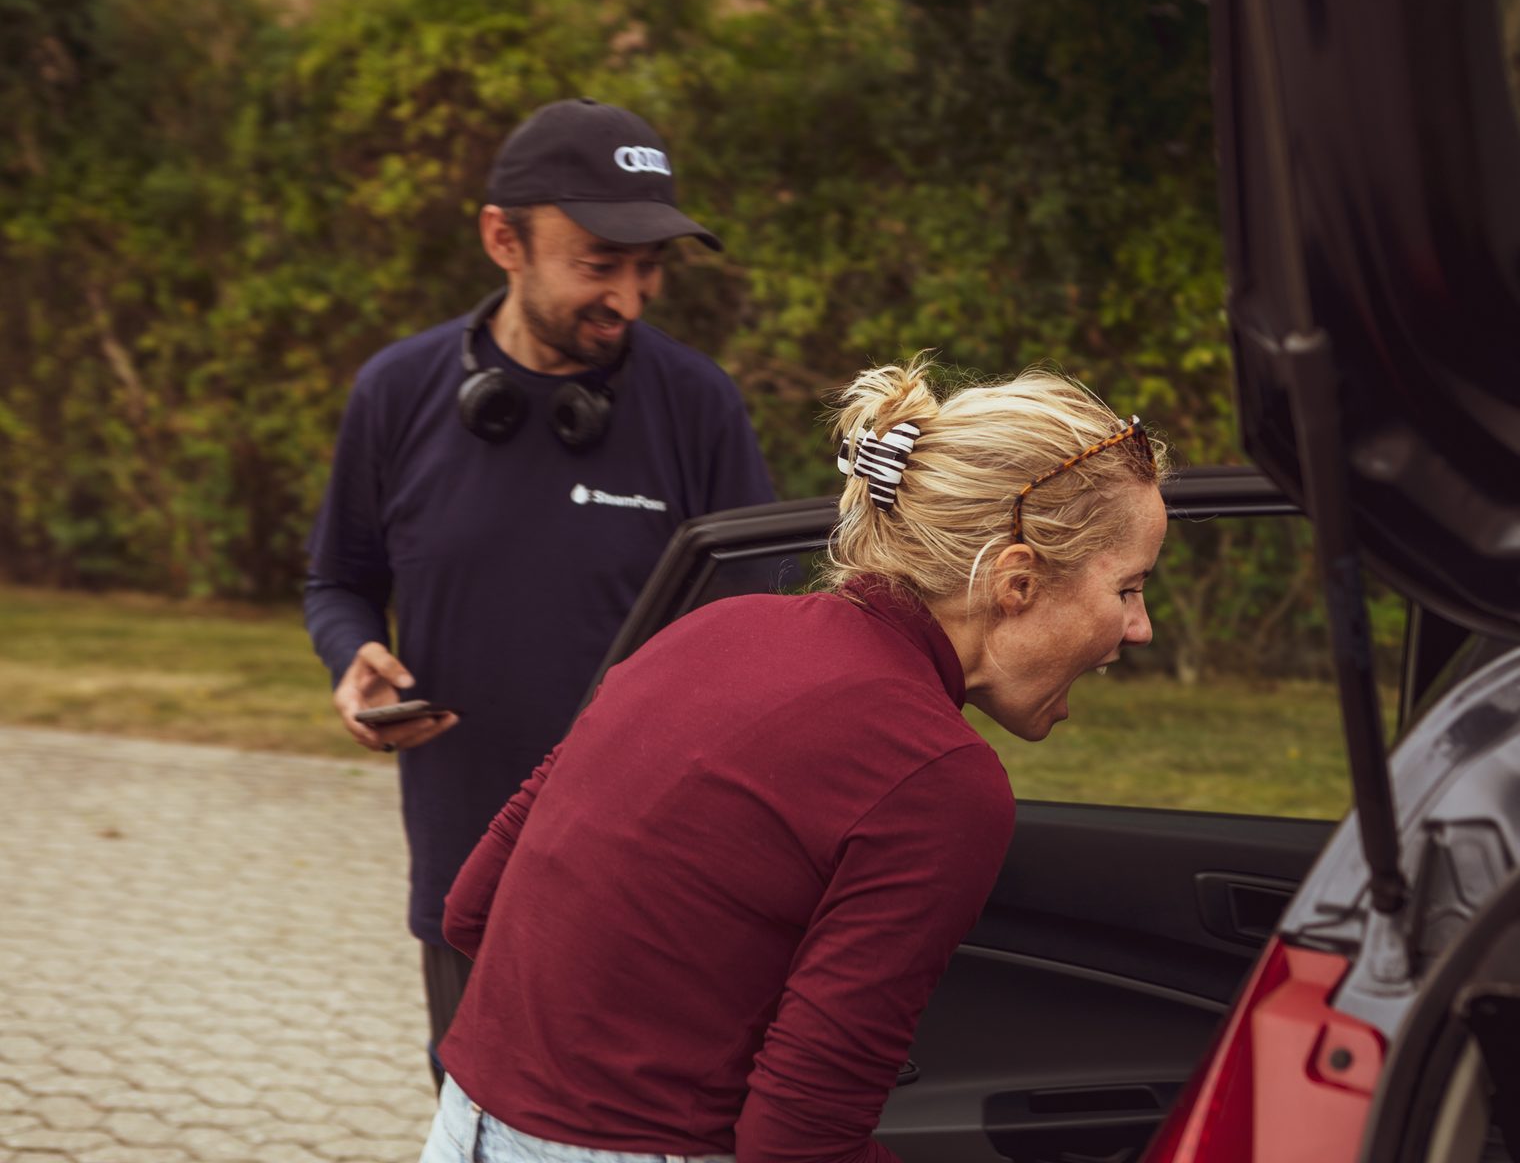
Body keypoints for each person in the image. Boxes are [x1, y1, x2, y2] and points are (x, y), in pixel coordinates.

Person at [415, 356, 1169, 1163]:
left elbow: (473, 907)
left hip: (466, 1125)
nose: (1140, 628)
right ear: (1016, 581)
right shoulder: (937, 778)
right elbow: (799, 1140)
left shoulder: (714, 629)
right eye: (1128, 588)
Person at [303, 97, 777, 1085]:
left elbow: (764, 631)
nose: (633, 299)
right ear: (501, 239)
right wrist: (354, 660)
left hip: (656, 880)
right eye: (600, 263)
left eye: (650, 268)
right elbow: (340, 579)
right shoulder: (395, 393)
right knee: (475, 1127)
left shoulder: (698, 405)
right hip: (465, 867)